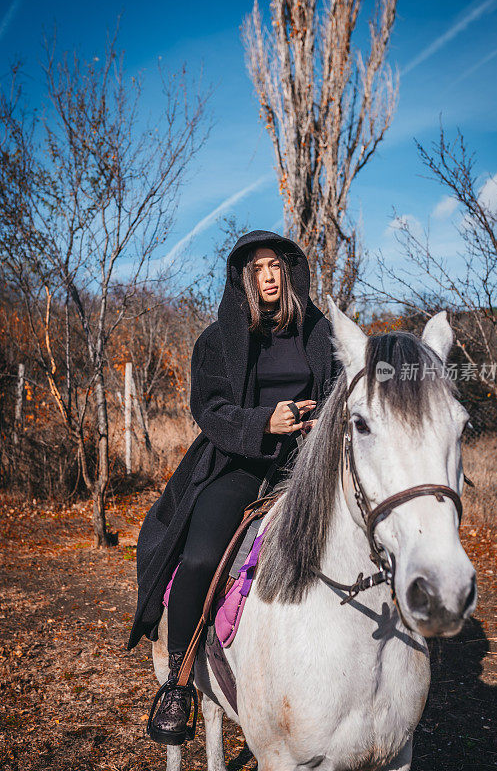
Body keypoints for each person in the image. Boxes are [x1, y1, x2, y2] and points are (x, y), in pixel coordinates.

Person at [127, 230, 340, 745]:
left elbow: (337, 394)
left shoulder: (319, 332)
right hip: (239, 464)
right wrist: (267, 423)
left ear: (290, 272)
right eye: (259, 268)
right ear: (246, 276)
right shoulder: (218, 339)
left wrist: (318, 426)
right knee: (200, 559)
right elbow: (210, 411)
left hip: (309, 465)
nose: (269, 276)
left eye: (277, 266)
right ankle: (177, 683)